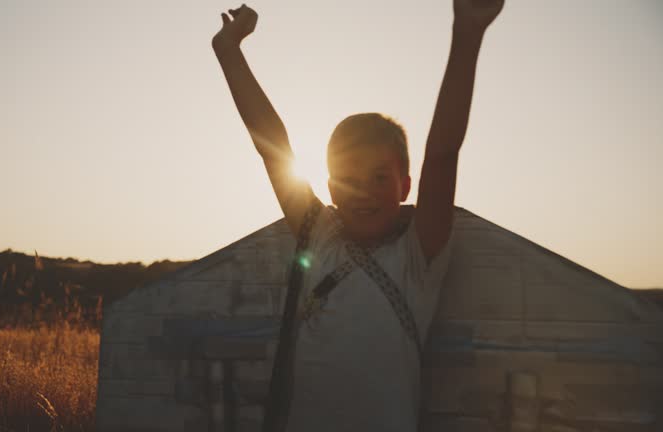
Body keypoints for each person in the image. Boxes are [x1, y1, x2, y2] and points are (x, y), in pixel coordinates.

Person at [212, 1, 503, 431]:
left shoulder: (416, 260)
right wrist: (229, 51)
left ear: (406, 187)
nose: (364, 192)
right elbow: (272, 145)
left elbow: (442, 155)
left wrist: (468, 31)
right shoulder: (320, 236)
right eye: (348, 179)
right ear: (330, 189)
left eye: (379, 177)